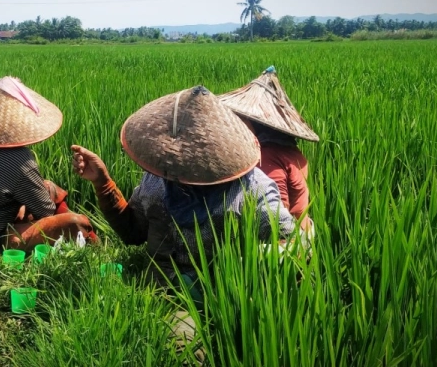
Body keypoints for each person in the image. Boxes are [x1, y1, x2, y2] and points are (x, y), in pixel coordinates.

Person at [72, 85, 311, 360]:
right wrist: (102, 182)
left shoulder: (253, 191)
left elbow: (292, 247)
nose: (179, 172)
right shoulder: (156, 182)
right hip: (169, 288)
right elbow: (134, 233)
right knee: (186, 351)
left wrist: (255, 270)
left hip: (231, 291)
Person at [0, 76, 97, 254]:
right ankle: (94, 248)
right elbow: (46, 212)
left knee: (47, 188)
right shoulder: (20, 161)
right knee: (75, 223)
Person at [219, 66, 319, 220]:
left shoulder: (268, 155)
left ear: (256, 123)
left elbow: (276, 214)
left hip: (286, 238)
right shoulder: (292, 151)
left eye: (243, 119)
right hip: (301, 229)